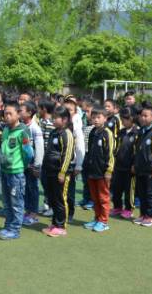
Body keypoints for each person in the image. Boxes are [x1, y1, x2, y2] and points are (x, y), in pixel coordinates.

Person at [0, 101, 33, 240]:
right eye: (5, 113)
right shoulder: (5, 130)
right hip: (4, 171)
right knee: (7, 201)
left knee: (16, 202)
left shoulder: (23, 131)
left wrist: (21, 165)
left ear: (18, 114)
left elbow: (28, 153)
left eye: (10, 113)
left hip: (16, 173)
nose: (7, 116)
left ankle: (15, 230)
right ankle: (8, 226)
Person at [42, 106, 75, 237]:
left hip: (60, 173)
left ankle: (61, 226)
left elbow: (67, 154)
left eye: (56, 118)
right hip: (50, 171)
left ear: (65, 119)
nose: (53, 120)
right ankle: (55, 223)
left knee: (61, 199)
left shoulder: (67, 133)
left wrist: (63, 171)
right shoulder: (54, 132)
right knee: (53, 199)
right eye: (53, 117)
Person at [82, 108, 114, 233]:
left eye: (98, 117)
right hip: (92, 170)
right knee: (95, 198)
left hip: (102, 172)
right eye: (94, 117)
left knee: (103, 198)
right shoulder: (92, 132)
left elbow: (110, 154)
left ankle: (104, 221)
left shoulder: (107, 133)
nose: (95, 120)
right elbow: (89, 151)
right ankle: (97, 218)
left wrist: (109, 171)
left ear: (105, 119)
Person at [132, 102, 152, 227]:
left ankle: (150, 216)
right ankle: (143, 214)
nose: (143, 118)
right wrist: (134, 164)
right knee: (142, 193)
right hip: (140, 168)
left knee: (150, 193)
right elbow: (136, 150)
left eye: (146, 116)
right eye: (142, 116)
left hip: (150, 169)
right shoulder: (140, 132)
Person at [20, 100, 44, 226]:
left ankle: (33, 214)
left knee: (33, 188)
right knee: (25, 188)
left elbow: (39, 148)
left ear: (29, 113)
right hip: (23, 165)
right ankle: (28, 210)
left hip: (32, 166)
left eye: (21, 111)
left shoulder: (35, 128)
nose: (19, 112)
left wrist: (37, 165)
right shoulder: (23, 126)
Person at [111, 107, 137, 219]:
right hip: (118, 166)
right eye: (121, 120)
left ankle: (129, 209)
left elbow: (138, 152)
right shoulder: (121, 132)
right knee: (116, 188)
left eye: (124, 120)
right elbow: (116, 148)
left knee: (129, 189)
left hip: (130, 168)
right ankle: (117, 207)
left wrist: (134, 165)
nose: (122, 122)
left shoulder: (137, 133)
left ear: (131, 119)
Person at [63, 95, 85, 223]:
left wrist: (79, 164)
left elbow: (80, 145)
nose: (68, 112)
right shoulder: (60, 123)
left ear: (75, 111)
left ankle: (69, 213)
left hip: (71, 162)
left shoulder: (76, 124)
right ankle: (60, 211)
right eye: (66, 109)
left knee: (69, 191)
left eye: (70, 110)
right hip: (59, 163)